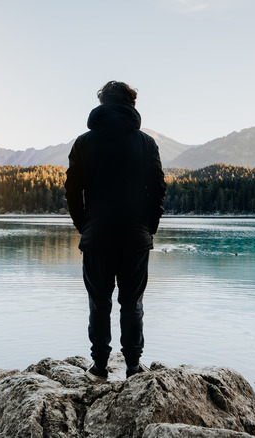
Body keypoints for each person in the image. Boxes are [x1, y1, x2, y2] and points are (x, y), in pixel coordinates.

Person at [64, 81, 167, 383]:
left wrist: (84, 226)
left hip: (97, 237)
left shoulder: (84, 143)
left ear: (102, 104)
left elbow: (72, 190)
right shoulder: (146, 144)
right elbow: (159, 189)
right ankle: (134, 366)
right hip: (135, 237)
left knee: (99, 304)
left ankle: (99, 367)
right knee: (132, 303)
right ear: (130, 105)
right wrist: (148, 227)